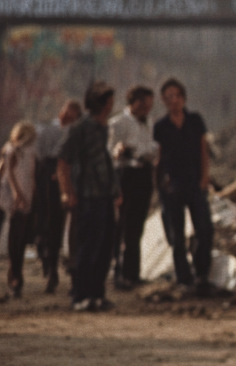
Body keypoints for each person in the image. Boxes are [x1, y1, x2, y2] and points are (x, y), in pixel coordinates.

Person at [57, 82, 122, 311]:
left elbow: (105, 162)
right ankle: (80, 295)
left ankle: (96, 294)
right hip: (87, 195)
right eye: (110, 101)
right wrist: (68, 192)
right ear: (102, 103)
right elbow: (63, 162)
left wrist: (115, 191)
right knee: (87, 247)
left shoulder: (103, 128)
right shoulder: (80, 128)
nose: (113, 105)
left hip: (104, 195)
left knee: (105, 247)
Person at [153, 77, 213, 295]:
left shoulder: (195, 121)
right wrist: (159, 186)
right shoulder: (160, 127)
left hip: (194, 182)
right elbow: (158, 157)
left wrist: (205, 177)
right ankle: (184, 278)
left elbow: (203, 149)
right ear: (164, 100)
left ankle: (202, 273)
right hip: (172, 186)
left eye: (177, 96)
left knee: (205, 230)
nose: (174, 100)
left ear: (183, 98)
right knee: (176, 236)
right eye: (169, 97)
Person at [108, 85, 159, 288]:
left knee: (136, 226)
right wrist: (121, 152)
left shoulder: (149, 123)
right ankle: (117, 272)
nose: (147, 108)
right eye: (144, 103)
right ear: (134, 102)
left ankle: (133, 272)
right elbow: (111, 152)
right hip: (125, 174)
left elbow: (151, 147)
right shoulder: (118, 123)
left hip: (143, 174)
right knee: (120, 224)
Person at [34, 99, 82, 293]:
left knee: (75, 227)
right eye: (67, 114)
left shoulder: (76, 132)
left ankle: (74, 273)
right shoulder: (49, 130)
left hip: (72, 174)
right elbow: (42, 154)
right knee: (53, 224)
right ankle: (51, 267)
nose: (68, 118)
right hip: (52, 175)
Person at [0, 121, 38, 296]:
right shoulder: (11, 150)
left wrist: (31, 190)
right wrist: (17, 194)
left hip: (27, 192)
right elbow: (9, 174)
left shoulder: (30, 151)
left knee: (22, 234)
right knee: (15, 234)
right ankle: (15, 271)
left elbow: (30, 173)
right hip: (15, 195)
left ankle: (17, 270)